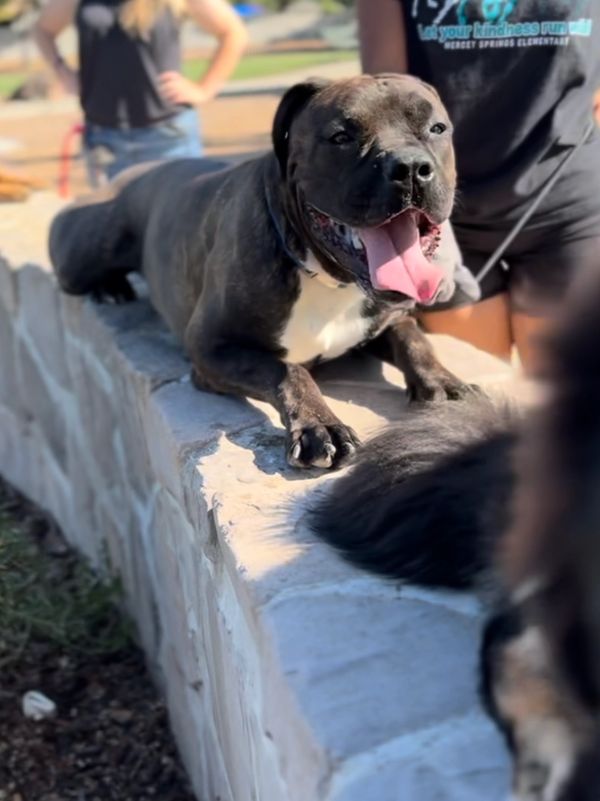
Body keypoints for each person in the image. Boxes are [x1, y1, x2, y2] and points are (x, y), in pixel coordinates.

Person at [358, 0, 600, 372]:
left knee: (559, 391)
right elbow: (389, 92)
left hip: (568, 209)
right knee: (480, 391)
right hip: (440, 214)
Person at [33, 0, 248, 185]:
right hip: (104, 138)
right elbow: (42, 30)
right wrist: (62, 71)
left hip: (167, 136)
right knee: (112, 220)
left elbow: (233, 32)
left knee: (176, 217)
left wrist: (204, 90)